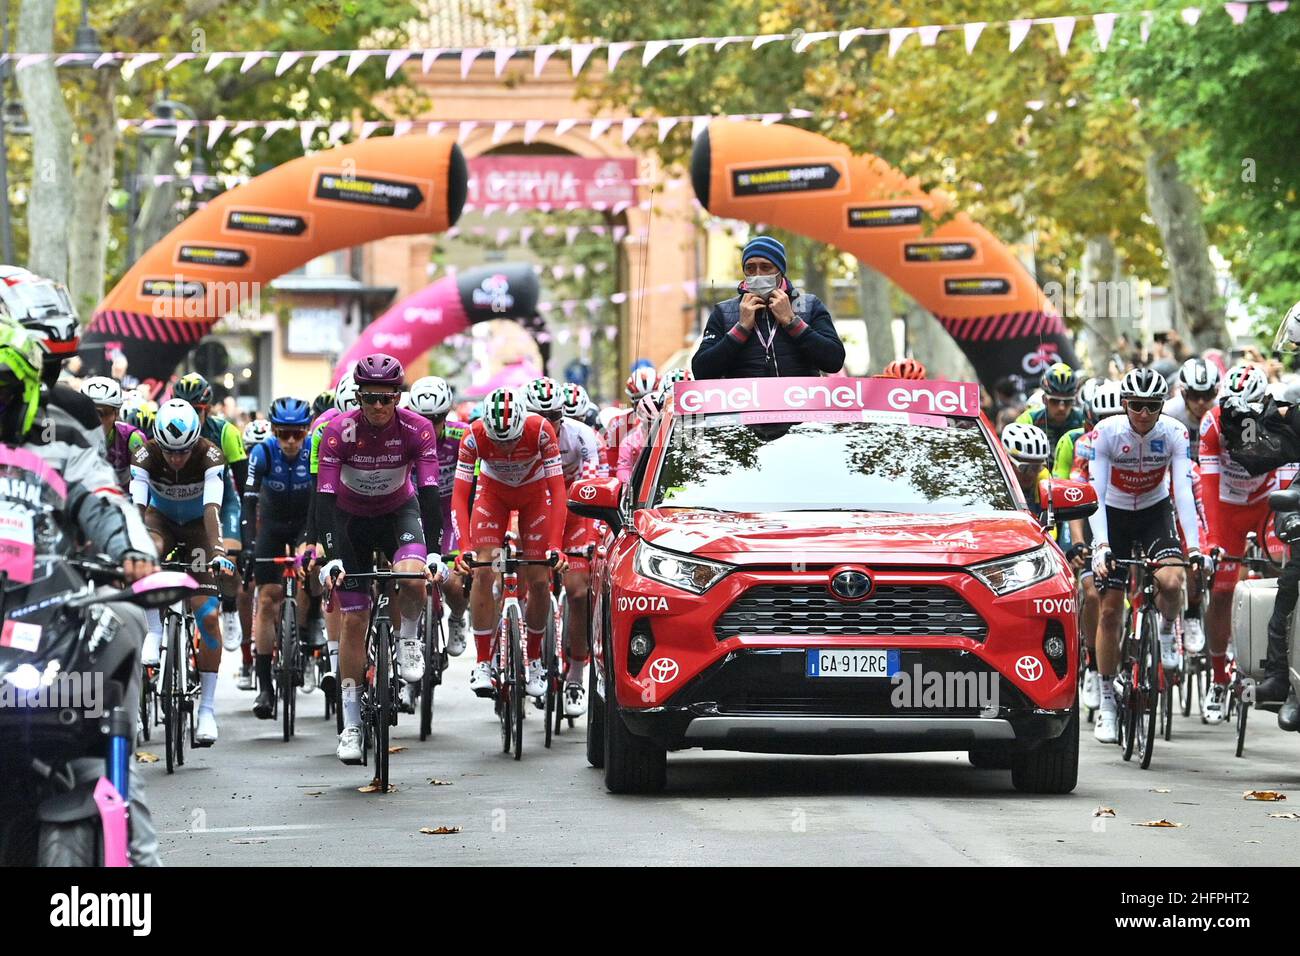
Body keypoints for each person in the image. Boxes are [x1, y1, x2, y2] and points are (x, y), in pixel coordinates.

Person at [314, 354, 445, 765]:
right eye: (369, 398)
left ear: (397, 397)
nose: (376, 407)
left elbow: (428, 492)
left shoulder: (417, 429)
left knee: (412, 576)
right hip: (350, 520)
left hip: (397, 513)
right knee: (354, 619)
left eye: (385, 398)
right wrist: (331, 556)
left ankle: (407, 638)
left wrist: (437, 551)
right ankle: (351, 723)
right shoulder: (338, 431)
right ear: (358, 396)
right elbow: (324, 499)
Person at [1088, 367, 1205, 745]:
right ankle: (1107, 699)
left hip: (1155, 512)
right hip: (1115, 514)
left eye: (1151, 406)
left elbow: (1183, 492)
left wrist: (1194, 546)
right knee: (1109, 611)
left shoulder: (1174, 432)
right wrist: (1101, 545)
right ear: (1124, 404)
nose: (1143, 413)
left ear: (1161, 406)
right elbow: (1095, 493)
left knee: (1172, 580)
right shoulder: (1105, 433)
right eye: (1136, 405)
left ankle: (1169, 630)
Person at [452, 386, 568, 700]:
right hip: (493, 495)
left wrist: (555, 545)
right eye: (498, 441)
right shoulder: (474, 436)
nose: (504, 448)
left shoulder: (541, 430)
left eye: (512, 440)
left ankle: (533, 660)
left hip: (534, 497)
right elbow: (461, 495)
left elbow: (558, 492)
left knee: (540, 579)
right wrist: (464, 547)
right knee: (483, 568)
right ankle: (482, 662)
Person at [130, 399, 235, 745]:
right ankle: (155, 630)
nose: (176, 459)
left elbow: (212, 508)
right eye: (170, 452)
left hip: (197, 528)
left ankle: (206, 709)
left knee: (207, 614)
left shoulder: (210, 454)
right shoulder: (145, 455)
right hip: (160, 523)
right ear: (158, 442)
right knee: (147, 551)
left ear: (195, 442)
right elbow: (138, 508)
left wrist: (218, 551)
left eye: (184, 452)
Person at [1199, 365, 1281, 722]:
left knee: (1283, 571)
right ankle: (1218, 678)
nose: (1236, 421)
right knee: (1221, 590)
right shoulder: (1213, 424)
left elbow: (1287, 479)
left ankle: (1282, 666)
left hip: (1266, 505)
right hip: (1228, 508)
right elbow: (1209, 487)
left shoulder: (1279, 420)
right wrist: (1215, 540)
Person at [525, 377, 602, 715]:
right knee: (524, 581)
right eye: (538, 415)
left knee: (578, 591)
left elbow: (594, 486)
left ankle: (576, 673)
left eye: (553, 416)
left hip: (573, 510)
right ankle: (519, 654)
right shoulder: (516, 436)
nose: (546, 424)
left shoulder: (582, 436)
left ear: (563, 415)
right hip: (532, 508)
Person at [241, 397, 315, 720]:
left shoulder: (313, 451)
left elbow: (322, 500)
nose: (289, 442)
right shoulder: (263, 453)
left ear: (306, 432)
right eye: (283, 434)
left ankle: (304, 633)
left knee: (309, 577)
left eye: (296, 435)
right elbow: (248, 503)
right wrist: (247, 546)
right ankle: (265, 688)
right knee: (268, 597)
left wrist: (312, 541)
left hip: (304, 524)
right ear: (273, 431)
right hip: (271, 527)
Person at [692, 235, 845, 380]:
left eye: (766, 267)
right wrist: (741, 329)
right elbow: (701, 371)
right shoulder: (723, 312)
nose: (758, 274)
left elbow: (834, 361)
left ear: (780, 271)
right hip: (745, 404)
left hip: (799, 403)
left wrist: (792, 323)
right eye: (750, 268)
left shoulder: (809, 305)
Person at [171, 373, 247, 655]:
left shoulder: (225, 433)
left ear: (208, 409)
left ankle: (229, 609)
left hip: (222, 502)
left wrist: (246, 532)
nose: (194, 416)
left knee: (229, 557)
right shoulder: (165, 428)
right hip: (182, 506)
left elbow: (244, 484)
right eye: (187, 409)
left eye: (199, 411)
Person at [406, 375, 472, 656]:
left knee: (454, 584)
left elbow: (476, 488)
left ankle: (457, 617)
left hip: (450, 512)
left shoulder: (463, 435)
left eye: (436, 419)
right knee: (409, 582)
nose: (429, 426)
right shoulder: (403, 436)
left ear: (446, 415)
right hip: (415, 511)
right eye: (422, 418)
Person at [81, 376, 147, 490]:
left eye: (103, 413)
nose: (97, 419)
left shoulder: (133, 439)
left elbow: (147, 482)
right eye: (89, 411)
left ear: (116, 413)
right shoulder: (72, 437)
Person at [1016, 362, 1086, 452]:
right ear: (1044, 399)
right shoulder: (1028, 420)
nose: (1062, 408)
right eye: (1054, 401)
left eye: (1067, 401)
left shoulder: (1083, 421)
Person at [1164, 358, 1220, 464]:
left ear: (1216, 393)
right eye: (1194, 395)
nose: (1201, 402)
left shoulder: (1224, 412)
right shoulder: (1169, 412)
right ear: (1184, 394)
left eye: (1207, 395)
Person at [1000, 422, 1052, 524]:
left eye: (1036, 468)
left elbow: (1050, 528)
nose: (1031, 474)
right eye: (1024, 468)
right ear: (1007, 462)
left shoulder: (1044, 478)